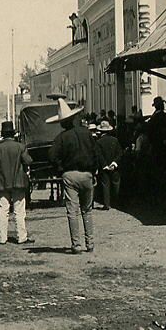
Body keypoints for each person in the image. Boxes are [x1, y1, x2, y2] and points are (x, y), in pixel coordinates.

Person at [48, 98, 98, 254]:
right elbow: (96, 153)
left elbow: (52, 156)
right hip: (87, 175)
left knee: (72, 211)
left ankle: (76, 245)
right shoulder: (87, 133)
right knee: (87, 210)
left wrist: (61, 168)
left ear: (63, 123)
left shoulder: (61, 138)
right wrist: (94, 171)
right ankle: (90, 243)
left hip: (70, 175)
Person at [0, 120, 34, 245]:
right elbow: (28, 161)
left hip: (2, 183)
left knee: (3, 211)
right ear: (13, 134)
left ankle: (2, 238)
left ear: (3, 134)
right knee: (19, 211)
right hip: (18, 182)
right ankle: (21, 237)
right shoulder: (20, 147)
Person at [94, 120, 123, 210]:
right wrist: (114, 163)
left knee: (105, 185)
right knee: (116, 184)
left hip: (104, 167)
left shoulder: (98, 142)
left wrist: (104, 165)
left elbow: (99, 155)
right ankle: (116, 202)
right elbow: (120, 153)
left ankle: (106, 204)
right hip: (114, 166)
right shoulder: (115, 140)